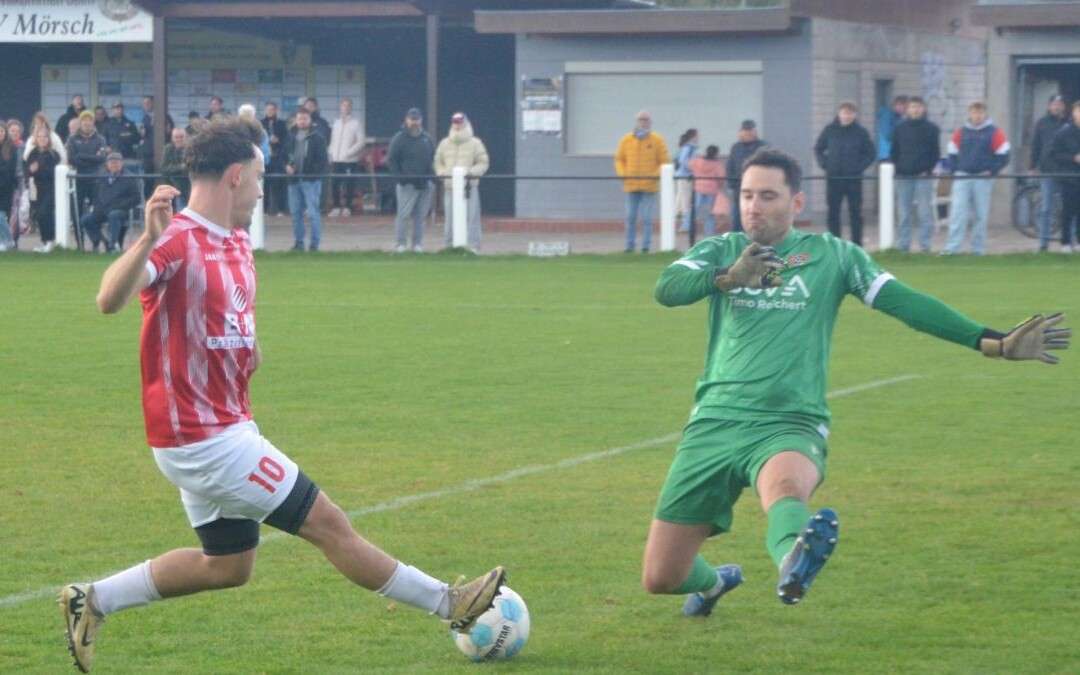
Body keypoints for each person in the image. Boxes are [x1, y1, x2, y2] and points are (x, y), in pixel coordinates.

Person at [59, 117, 506, 674]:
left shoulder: (239, 241)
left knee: (229, 566)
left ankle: (93, 600)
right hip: (203, 439)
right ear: (235, 176)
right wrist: (148, 236)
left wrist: (246, 353)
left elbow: (236, 324)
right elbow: (108, 299)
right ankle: (450, 603)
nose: (263, 187)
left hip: (226, 426)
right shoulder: (176, 239)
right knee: (330, 524)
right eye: (260, 177)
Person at [645, 147, 1070, 619]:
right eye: (746, 195)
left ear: (797, 203)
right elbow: (667, 290)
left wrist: (992, 341)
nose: (753, 206)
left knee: (784, 487)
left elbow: (906, 302)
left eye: (767, 195)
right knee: (661, 577)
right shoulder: (721, 249)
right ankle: (716, 582)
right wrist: (727, 278)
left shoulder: (833, 256)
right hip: (714, 420)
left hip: (788, 418)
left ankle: (792, 559)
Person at [943, 102, 1010, 255]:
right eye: (974, 112)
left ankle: (978, 250)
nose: (977, 116)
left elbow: (1004, 155)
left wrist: (992, 170)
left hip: (983, 178)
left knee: (980, 215)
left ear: (985, 114)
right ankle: (952, 249)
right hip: (963, 177)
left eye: (980, 112)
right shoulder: (961, 132)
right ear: (969, 113)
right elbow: (951, 152)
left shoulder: (995, 133)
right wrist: (955, 170)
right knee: (958, 214)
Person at [814, 102, 876, 247]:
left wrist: (859, 167)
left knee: (855, 213)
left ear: (854, 115)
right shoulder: (829, 130)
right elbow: (818, 149)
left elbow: (871, 153)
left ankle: (857, 245)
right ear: (839, 113)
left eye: (850, 113)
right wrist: (825, 164)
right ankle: (834, 244)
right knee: (833, 212)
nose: (847, 116)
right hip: (834, 178)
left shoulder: (861, 132)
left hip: (853, 179)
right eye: (844, 112)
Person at [889, 96, 940, 253]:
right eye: (912, 107)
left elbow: (935, 153)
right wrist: (898, 168)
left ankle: (925, 246)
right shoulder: (899, 128)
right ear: (908, 109)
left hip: (923, 176)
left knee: (925, 212)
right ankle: (903, 247)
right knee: (904, 213)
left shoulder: (932, 129)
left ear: (923, 108)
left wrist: (928, 169)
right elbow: (894, 151)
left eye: (918, 106)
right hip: (903, 176)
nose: (915, 109)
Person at [615, 110, 670, 253]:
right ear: (636, 121)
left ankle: (646, 246)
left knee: (647, 218)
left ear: (650, 122)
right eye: (641, 119)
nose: (643, 122)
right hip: (631, 185)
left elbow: (664, 162)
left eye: (646, 120)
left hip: (649, 186)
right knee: (630, 217)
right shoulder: (626, 140)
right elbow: (619, 159)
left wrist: (654, 175)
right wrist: (623, 174)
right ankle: (629, 246)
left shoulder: (657, 140)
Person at [434, 112, 489, 252]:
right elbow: (437, 162)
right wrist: (442, 173)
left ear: (465, 122)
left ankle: (473, 246)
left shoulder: (475, 143)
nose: (457, 124)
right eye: (454, 121)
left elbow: (483, 162)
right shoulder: (444, 143)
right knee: (449, 218)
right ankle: (449, 246)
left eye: (459, 121)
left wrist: (471, 173)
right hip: (450, 187)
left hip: (469, 187)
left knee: (472, 217)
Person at [387, 107, 435, 253]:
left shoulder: (427, 138)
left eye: (417, 119)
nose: (414, 122)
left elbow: (433, 159)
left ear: (421, 120)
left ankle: (418, 244)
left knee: (420, 216)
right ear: (406, 120)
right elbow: (392, 161)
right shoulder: (399, 139)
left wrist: (432, 179)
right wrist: (401, 179)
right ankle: (401, 244)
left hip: (425, 184)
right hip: (407, 185)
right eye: (412, 119)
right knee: (403, 215)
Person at [284, 108, 329, 251]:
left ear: (310, 120)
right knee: (295, 213)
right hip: (293, 181)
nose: (302, 121)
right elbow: (283, 155)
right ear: (296, 120)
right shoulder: (290, 136)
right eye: (299, 119)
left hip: (311, 181)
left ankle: (314, 244)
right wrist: (286, 166)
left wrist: (311, 173)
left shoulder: (318, 137)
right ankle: (299, 243)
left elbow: (323, 161)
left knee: (313, 213)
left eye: (304, 119)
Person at [80, 152, 141, 253]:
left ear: (121, 163)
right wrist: (96, 207)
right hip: (102, 209)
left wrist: (120, 206)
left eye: (116, 162)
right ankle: (99, 241)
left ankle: (113, 245)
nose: (114, 165)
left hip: (121, 210)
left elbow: (136, 198)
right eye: (111, 162)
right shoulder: (101, 176)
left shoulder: (129, 177)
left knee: (114, 215)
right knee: (86, 219)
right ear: (107, 164)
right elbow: (95, 194)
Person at [1030, 94, 1068, 252]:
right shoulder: (1041, 123)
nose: (1056, 106)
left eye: (1059, 104)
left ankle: (1069, 243)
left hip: (1066, 171)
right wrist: (1032, 166)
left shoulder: (1069, 123)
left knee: (1069, 208)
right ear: (1049, 106)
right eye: (1054, 104)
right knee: (1046, 209)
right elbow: (1035, 145)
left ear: (1063, 106)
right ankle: (1043, 244)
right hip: (1047, 171)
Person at [1049, 101, 1080, 253]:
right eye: (1078, 111)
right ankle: (1066, 243)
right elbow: (1054, 154)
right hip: (1069, 178)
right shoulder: (1064, 133)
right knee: (1068, 211)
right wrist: (1073, 158)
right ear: (1073, 113)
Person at [726, 120, 767, 233]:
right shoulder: (736, 147)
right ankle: (736, 239)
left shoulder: (763, 146)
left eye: (750, 130)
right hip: (738, 187)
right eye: (745, 131)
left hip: (757, 187)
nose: (747, 133)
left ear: (755, 132)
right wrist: (731, 184)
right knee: (737, 215)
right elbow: (730, 166)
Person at [66, 110, 110, 215]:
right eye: (84, 120)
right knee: (76, 209)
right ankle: (78, 231)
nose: (87, 123)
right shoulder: (72, 139)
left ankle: (92, 230)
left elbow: (102, 159)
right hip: (78, 178)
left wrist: (81, 156)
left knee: (96, 209)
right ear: (80, 122)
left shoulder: (101, 139)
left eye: (89, 120)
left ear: (93, 122)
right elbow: (72, 159)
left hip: (96, 179)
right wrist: (93, 158)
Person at [26, 127, 61, 253]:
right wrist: (31, 171)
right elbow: (27, 170)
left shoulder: (53, 154)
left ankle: (50, 240)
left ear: (48, 139)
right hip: (37, 188)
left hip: (51, 188)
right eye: (39, 137)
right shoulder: (33, 153)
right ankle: (45, 241)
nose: (42, 139)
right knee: (39, 215)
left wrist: (38, 169)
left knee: (44, 212)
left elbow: (52, 172)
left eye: (44, 137)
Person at [328, 98, 365, 218]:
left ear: (351, 108)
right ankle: (336, 207)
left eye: (348, 106)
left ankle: (348, 207)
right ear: (340, 107)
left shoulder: (356, 123)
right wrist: (331, 153)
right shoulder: (336, 123)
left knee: (349, 184)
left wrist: (349, 153)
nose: (346, 108)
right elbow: (333, 140)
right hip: (336, 159)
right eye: (344, 105)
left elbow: (361, 142)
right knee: (335, 183)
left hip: (350, 160)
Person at [139, 96, 175, 198]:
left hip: (162, 153)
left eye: (148, 103)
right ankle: (148, 201)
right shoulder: (145, 118)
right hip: (148, 154)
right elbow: (142, 135)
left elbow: (170, 132)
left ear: (154, 103)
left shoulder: (165, 116)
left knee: (164, 179)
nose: (146, 105)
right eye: (144, 103)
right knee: (148, 180)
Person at [687, 145, 726, 237]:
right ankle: (709, 234)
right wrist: (719, 186)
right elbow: (721, 177)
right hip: (711, 191)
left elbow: (689, 165)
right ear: (716, 153)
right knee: (708, 214)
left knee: (694, 210)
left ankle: (688, 227)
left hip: (698, 189)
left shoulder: (697, 161)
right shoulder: (717, 164)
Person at [261, 102, 289, 216]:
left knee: (279, 183)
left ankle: (280, 209)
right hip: (265, 158)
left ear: (276, 110)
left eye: (272, 109)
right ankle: (264, 210)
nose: (270, 112)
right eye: (268, 110)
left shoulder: (282, 124)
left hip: (278, 158)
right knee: (265, 185)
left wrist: (278, 141)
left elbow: (287, 141)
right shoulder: (261, 123)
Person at [159, 127, 190, 211]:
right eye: (176, 137)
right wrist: (180, 167)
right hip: (174, 187)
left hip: (191, 187)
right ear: (172, 138)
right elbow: (163, 168)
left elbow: (190, 167)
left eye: (181, 137)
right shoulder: (168, 149)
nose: (179, 139)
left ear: (186, 137)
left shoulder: (191, 148)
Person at [675, 129, 698, 233]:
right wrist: (692, 169)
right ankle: (685, 225)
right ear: (692, 136)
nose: (698, 138)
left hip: (682, 176)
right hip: (685, 177)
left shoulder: (687, 147)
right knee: (686, 202)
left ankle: (681, 221)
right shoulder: (689, 148)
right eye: (697, 136)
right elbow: (683, 161)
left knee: (681, 201)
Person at [0, 124, 17, 251]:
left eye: (1, 131)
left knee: (1, 215)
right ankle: (5, 241)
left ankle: (9, 240)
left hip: (6, 187)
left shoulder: (11, 148)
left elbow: (9, 169)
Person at [877, 95, 909, 161]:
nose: (905, 110)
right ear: (896, 105)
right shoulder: (887, 115)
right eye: (905, 107)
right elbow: (887, 135)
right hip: (887, 154)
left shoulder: (899, 117)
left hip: (896, 153)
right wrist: (902, 121)